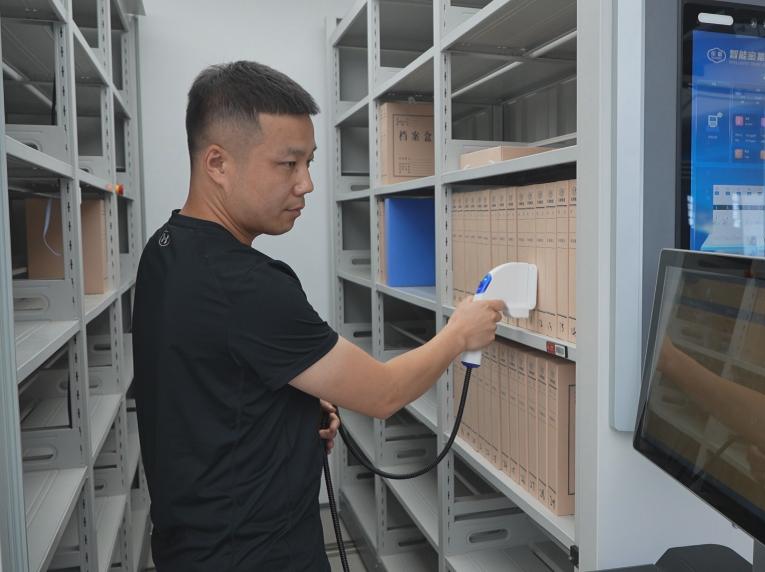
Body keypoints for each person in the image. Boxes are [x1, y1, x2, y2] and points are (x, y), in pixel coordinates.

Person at [133, 61, 503, 572]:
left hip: (190, 545)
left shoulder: (165, 247)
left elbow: (208, 383)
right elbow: (383, 394)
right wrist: (460, 333)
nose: (306, 183)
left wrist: (290, 412)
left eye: (308, 162)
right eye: (288, 164)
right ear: (218, 163)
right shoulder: (248, 285)